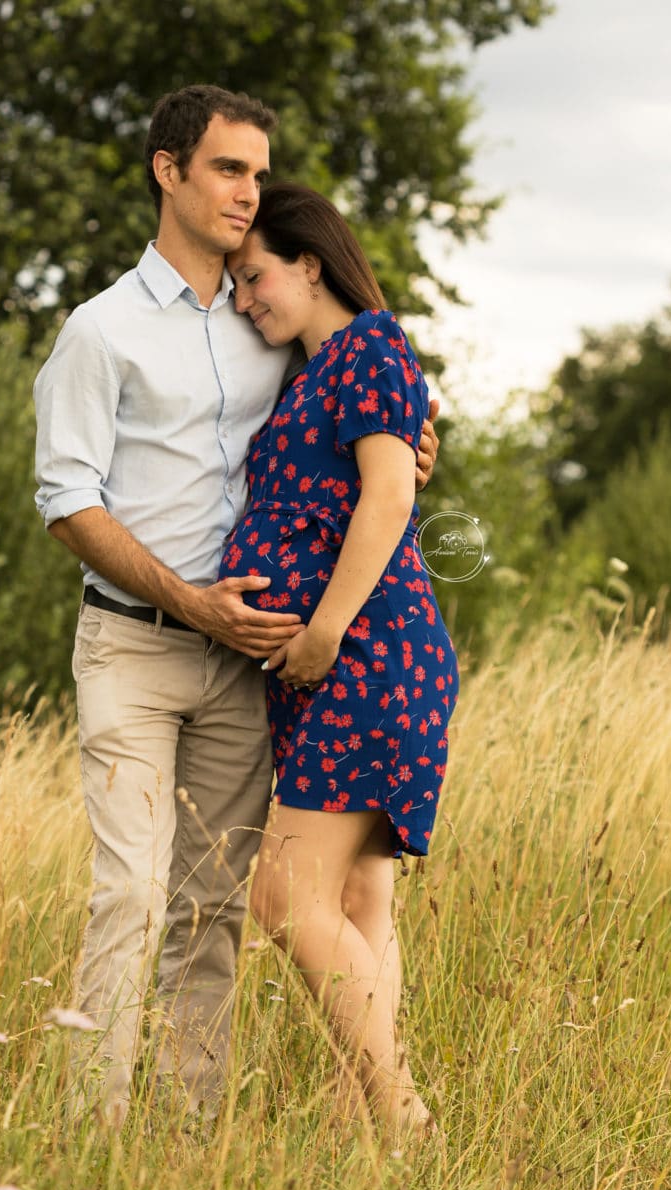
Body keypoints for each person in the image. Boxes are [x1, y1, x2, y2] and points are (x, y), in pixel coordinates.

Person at [34, 85, 439, 1129]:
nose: (244, 191)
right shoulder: (101, 331)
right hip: (135, 646)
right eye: (225, 168)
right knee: (132, 892)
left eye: (257, 173)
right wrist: (195, 603)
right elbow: (66, 500)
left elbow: (370, 441)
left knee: (215, 906)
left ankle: (183, 1133)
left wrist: (412, 454)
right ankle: (94, 1132)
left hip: (256, 666)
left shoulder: (274, 322)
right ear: (167, 171)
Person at [219, 182, 458, 1140]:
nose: (245, 299)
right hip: (343, 664)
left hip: (365, 657)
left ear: (310, 262)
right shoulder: (315, 373)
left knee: (283, 893)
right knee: (358, 897)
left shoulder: (367, 345)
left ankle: (403, 1112)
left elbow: (389, 502)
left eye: (255, 276)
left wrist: (318, 633)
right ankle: (376, 1121)